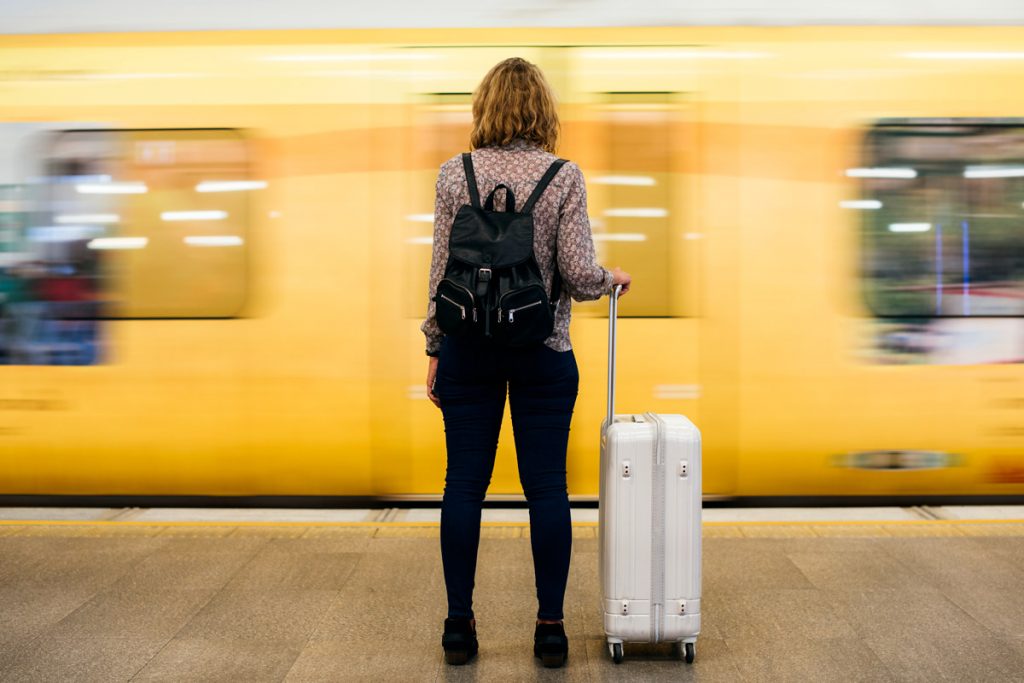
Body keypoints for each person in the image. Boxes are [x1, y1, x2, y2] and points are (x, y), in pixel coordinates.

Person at [421, 56, 632, 668]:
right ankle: (550, 629)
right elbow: (577, 274)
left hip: (468, 351)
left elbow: (439, 274)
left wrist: (436, 346)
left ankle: (459, 627)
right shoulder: (564, 176)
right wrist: (610, 278)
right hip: (543, 352)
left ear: (483, 107)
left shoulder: (452, 176)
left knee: (463, 486)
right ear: (543, 110)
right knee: (547, 490)